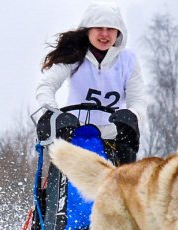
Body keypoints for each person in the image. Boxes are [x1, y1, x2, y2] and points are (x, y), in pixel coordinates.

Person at [36, 0, 146, 165]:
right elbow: (46, 86)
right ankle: (48, 188)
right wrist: (54, 113)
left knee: (128, 179)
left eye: (110, 29)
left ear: (118, 32)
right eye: (99, 28)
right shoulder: (73, 56)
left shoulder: (128, 61)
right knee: (55, 166)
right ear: (88, 30)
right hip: (74, 134)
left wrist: (132, 115)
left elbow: (137, 101)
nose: (104, 34)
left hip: (115, 138)